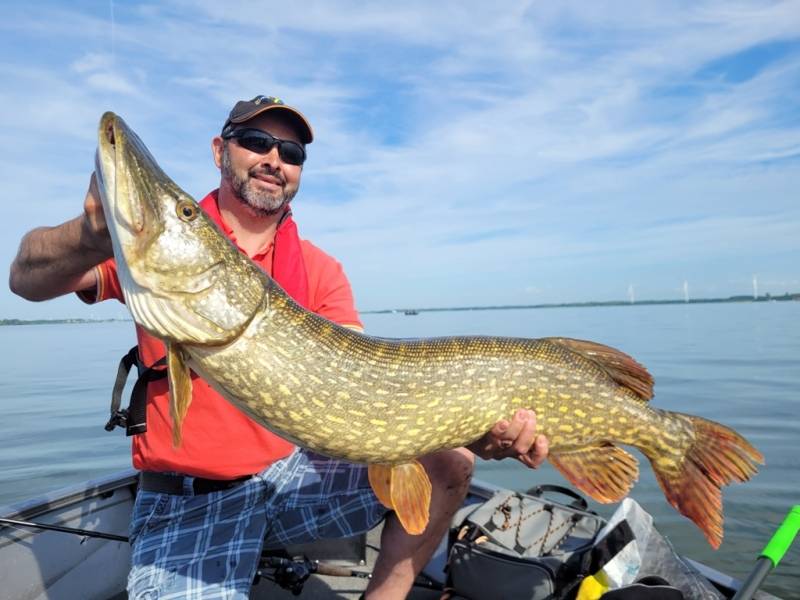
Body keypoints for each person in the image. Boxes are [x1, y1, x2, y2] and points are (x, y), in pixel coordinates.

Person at [9, 95, 550, 599]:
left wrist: (463, 425)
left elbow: (360, 394)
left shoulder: (320, 269)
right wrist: (89, 234)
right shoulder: (158, 253)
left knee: (449, 462)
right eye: (256, 142)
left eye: (290, 152)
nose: (273, 158)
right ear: (221, 150)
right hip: (188, 501)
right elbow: (26, 278)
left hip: (291, 481)